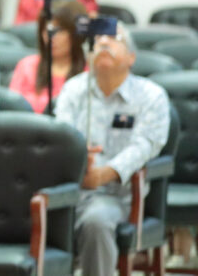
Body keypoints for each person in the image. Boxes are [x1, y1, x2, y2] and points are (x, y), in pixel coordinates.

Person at [54, 21, 169, 276]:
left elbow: (144, 146)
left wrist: (103, 174)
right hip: (70, 188)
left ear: (131, 57)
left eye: (114, 38)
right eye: (98, 41)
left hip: (115, 195)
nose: (103, 42)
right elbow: (61, 138)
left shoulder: (151, 96)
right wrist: (79, 166)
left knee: (96, 221)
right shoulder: (74, 89)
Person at [8, 0, 87, 114]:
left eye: (59, 30)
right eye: (47, 29)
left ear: (76, 34)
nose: (52, 37)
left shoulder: (89, 73)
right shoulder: (26, 66)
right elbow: (12, 111)